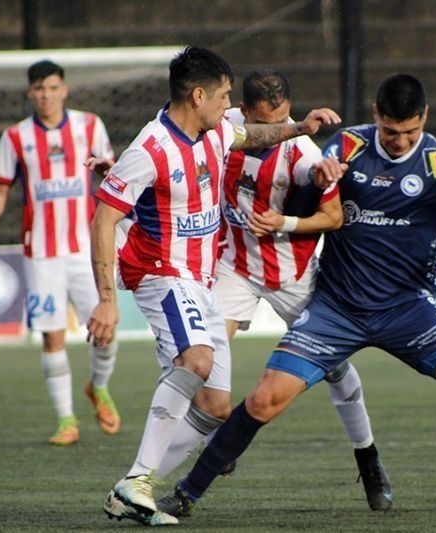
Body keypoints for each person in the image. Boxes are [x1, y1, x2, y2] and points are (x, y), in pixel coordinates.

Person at [159, 73, 436, 519]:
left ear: (425, 119)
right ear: (376, 115)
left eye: (411, 132)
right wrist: (320, 177)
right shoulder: (347, 147)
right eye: (392, 131)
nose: (400, 142)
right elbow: (312, 190)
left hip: (408, 310)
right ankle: (186, 494)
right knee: (263, 399)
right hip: (335, 309)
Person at [86, 47, 343, 526]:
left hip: (202, 278)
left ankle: (128, 493)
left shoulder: (217, 129)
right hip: (161, 272)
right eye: (225, 95)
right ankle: (140, 478)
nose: (231, 104)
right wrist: (106, 302)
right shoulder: (152, 149)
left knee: (215, 407)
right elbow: (104, 221)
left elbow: (256, 133)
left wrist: (302, 129)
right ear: (198, 94)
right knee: (197, 361)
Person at [147, 69, 391, 513]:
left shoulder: (300, 151)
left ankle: (368, 457)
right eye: (267, 122)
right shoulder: (220, 127)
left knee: (336, 367)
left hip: (293, 276)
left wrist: (298, 207)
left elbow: (332, 215)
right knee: (201, 369)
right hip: (233, 269)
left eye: (283, 119)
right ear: (247, 112)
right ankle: (146, 477)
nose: (275, 132)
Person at [0, 60, 120, 446]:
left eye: (52, 87)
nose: (45, 95)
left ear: (64, 89)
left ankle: (98, 387)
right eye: (38, 88)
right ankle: (66, 420)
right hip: (42, 254)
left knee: (105, 331)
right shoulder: (15, 137)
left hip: (87, 250)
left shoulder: (90, 126)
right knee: (52, 338)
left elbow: (112, 176)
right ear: (29, 93)